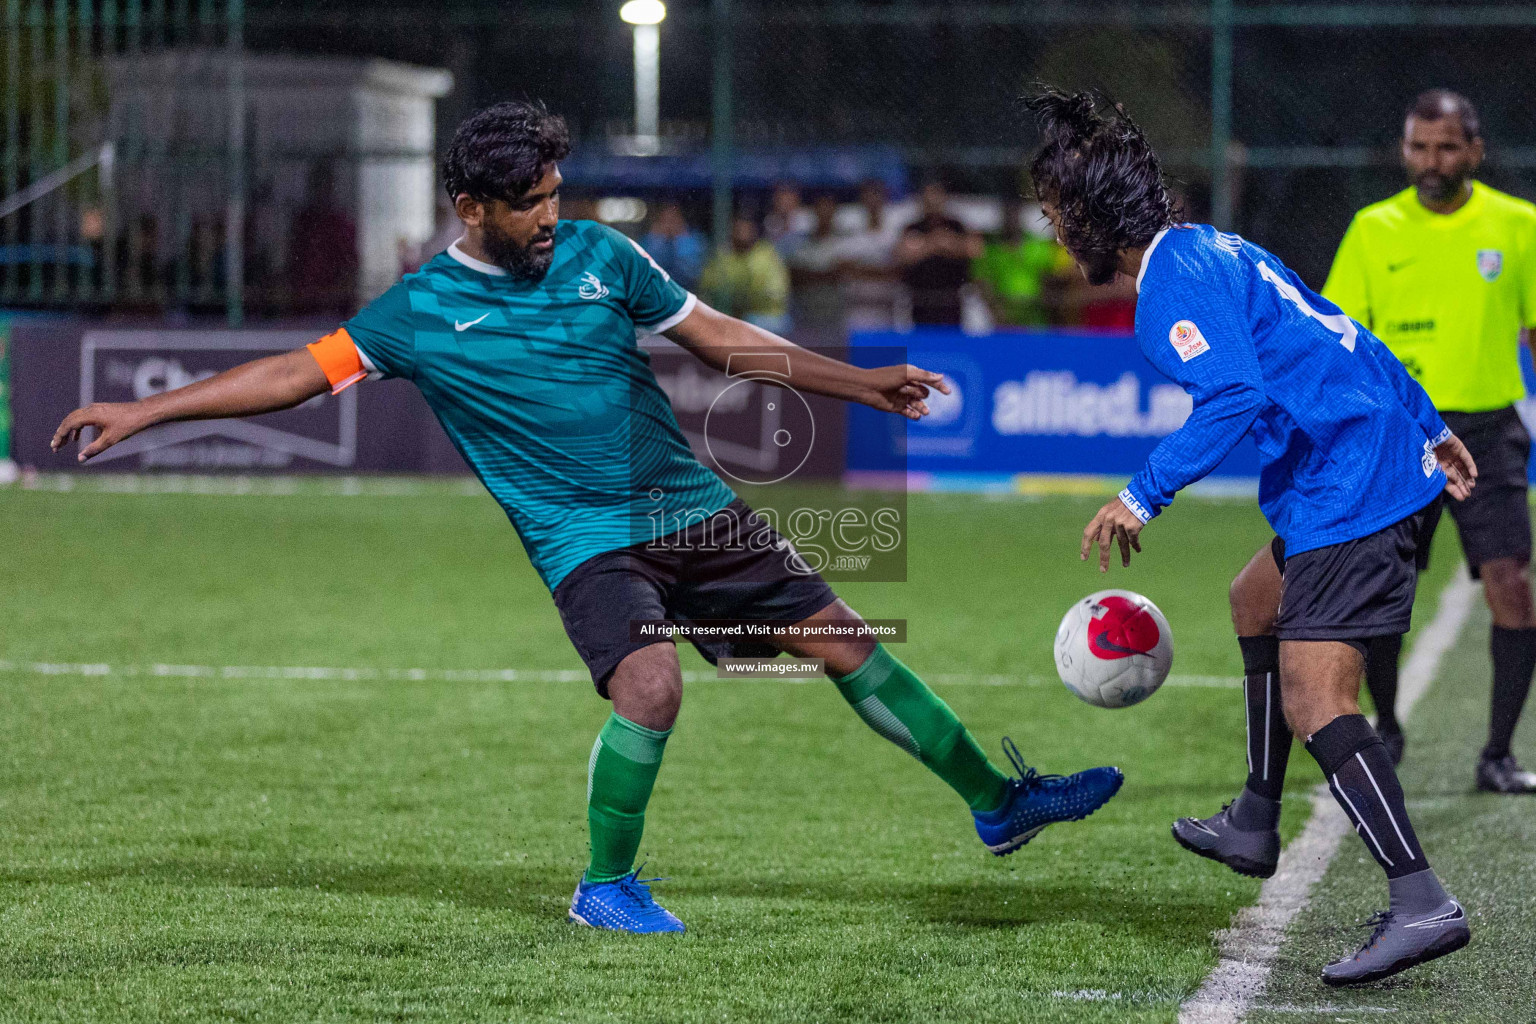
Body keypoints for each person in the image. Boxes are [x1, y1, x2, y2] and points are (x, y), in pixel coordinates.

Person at [52, 100, 1124, 936]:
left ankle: (996, 801)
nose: (550, 214)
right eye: (529, 201)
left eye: (556, 192)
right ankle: (605, 885)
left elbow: (720, 340)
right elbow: (297, 371)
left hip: (692, 508)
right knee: (650, 686)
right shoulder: (418, 311)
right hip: (583, 540)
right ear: (471, 208)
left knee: (844, 641)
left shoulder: (604, 259)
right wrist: (144, 410)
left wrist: (855, 382)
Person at [1025, 87, 1475, 986]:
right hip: (1364, 456)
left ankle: (1421, 900)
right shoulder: (1209, 247)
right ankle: (1255, 819)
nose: (1050, 236)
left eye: (1051, 217)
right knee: (1252, 599)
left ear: (1087, 218)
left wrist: (1139, 496)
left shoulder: (1170, 290)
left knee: (1319, 704)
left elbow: (1234, 396)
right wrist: (1428, 423)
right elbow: (1346, 331)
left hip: (1352, 483)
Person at [1318, 90, 1536, 791]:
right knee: (1384, 591)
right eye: (1419, 147)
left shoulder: (1519, 224)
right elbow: (1342, 341)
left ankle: (1497, 754)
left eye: (1446, 147)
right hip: (1400, 436)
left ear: (1474, 150)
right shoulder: (1373, 228)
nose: (1431, 161)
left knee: (1513, 588)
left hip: (1488, 430)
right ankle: (1386, 725)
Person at [971, 197, 1074, 327]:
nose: (1011, 219)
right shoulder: (990, 249)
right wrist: (997, 312)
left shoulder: (1037, 244)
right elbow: (982, 283)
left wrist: (1046, 301)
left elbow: (1058, 275)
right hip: (1002, 320)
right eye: (1007, 215)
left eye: (1014, 214)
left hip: (1036, 318)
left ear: (1020, 215)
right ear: (1002, 217)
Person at [894, 181, 983, 326]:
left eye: (936, 197)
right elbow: (903, 255)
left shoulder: (956, 225)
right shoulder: (912, 227)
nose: (932, 203)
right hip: (921, 300)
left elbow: (975, 250)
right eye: (928, 198)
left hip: (952, 299)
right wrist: (934, 243)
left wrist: (948, 244)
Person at [699, 213, 792, 333]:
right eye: (737, 230)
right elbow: (707, 286)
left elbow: (775, 293)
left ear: (754, 232)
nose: (742, 235)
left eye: (746, 230)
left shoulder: (767, 254)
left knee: (748, 323)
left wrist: (739, 297)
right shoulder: (723, 255)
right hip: (730, 315)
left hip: (767, 317)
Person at [837, 179, 903, 331]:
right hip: (857, 308)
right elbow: (843, 269)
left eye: (876, 195)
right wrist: (880, 270)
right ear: (863, 199)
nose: (873, 200)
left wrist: (862, 269)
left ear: (884, 198)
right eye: (868, 195)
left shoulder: (894, 234)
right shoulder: (851, 234)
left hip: (887, 308)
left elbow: (898, 270)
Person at [785, 194, 847, 334]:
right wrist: (827, 274)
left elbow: (844, 273)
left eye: (828, 209)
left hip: (835, 314)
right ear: (814, 212)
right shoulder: (800, 243)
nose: (824, 213)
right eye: (820, 209)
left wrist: (814, 273)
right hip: (806, 313)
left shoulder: (845, 242)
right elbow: (795, 275)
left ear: (834, 212)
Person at [639, 201, 706, 292]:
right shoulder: (649, 240)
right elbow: (647, 269)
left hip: (687, 291)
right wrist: (656, 239)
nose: (670, 225)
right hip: (657, 292)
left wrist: (681, 238)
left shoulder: (694, 239)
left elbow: (692, 273)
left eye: (673, 220)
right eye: (665, 220)